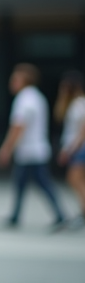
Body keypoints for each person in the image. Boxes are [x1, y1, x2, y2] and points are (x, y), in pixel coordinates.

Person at [0, 62, 66, 231]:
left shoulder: (24, 99)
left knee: (42, 183)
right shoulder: (37, 97)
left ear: (25, 80)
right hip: (35, 149)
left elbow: (18, 127)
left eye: (15, 79)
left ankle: (60, 215)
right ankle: (15, 216)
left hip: (31, 151)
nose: (12, 82)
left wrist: (6, 148)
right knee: (21, 183)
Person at [53, 70, 85, 228]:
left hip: (79, 148)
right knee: (76, 181)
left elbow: (82, 130)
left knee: (75, 180)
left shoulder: (79, 104)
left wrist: (71, 149)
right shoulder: (72, 104)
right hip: (75, 147)